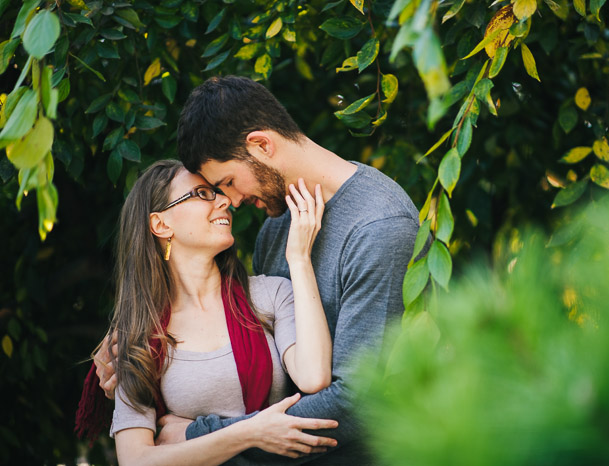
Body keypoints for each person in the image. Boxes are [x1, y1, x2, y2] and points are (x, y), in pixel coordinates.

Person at [96, 76, 421, 464]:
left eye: (228, 182)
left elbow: (355, 402)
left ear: (262, 145)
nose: (229, 201)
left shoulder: (379, 227)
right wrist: (128, 337)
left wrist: (196, 434)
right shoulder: (276, 228)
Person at [77, 159, 340, 465]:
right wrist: (249, 433)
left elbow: (314, 376)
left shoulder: (270, 295)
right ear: (161, 225)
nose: (226, 200)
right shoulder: (139, 338)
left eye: (218, 191)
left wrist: (299, 259)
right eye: (203, 194)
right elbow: (136, 460)